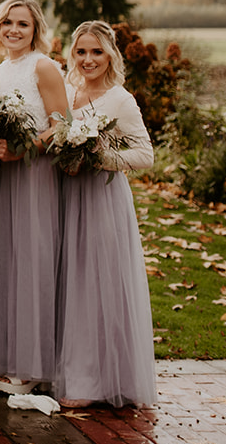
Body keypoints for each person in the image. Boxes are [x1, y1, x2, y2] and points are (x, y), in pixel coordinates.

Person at [54, 21, 156, 409]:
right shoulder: (65, 92)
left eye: (96, 52)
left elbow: (145, 155)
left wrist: (101, 156)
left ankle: (94, 381)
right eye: (81, 52)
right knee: (67, 282)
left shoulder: (120, 99)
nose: (88, 59)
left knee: (95, 286)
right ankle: (65, 369)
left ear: (111, 54)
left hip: (101, 200)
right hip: (65, 195)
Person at [0, 0, 70, 396]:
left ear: (35, 29)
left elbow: (61, 125)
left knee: (33, 263)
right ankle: (9, 353)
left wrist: (25, 149)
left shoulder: (43, 66)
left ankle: (34, 364)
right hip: (3, 178)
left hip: (35, 175)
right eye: (7, 23)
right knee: (9, 262)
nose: (13, 30)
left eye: (22, 24)